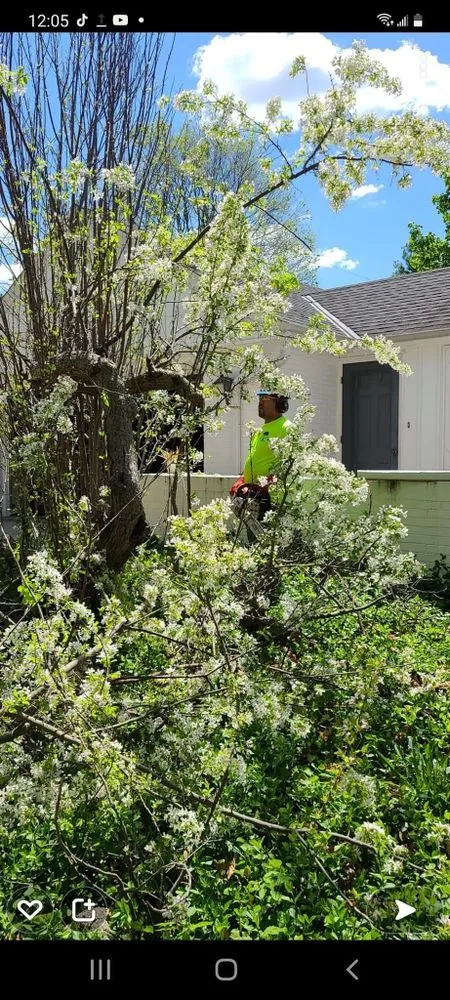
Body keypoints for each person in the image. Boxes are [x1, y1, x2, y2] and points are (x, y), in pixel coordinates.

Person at [230, 390, 291, 538]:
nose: (260, 402)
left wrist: (268, 484)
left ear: (279, 403)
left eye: (265, 398)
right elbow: (257, 460)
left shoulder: (286, 428)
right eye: (260, 398)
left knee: (267, 542)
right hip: (252, 499)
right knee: (254, 542)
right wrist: (243, 481)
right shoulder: (260, 430)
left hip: (269, 501)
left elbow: (289, 465)